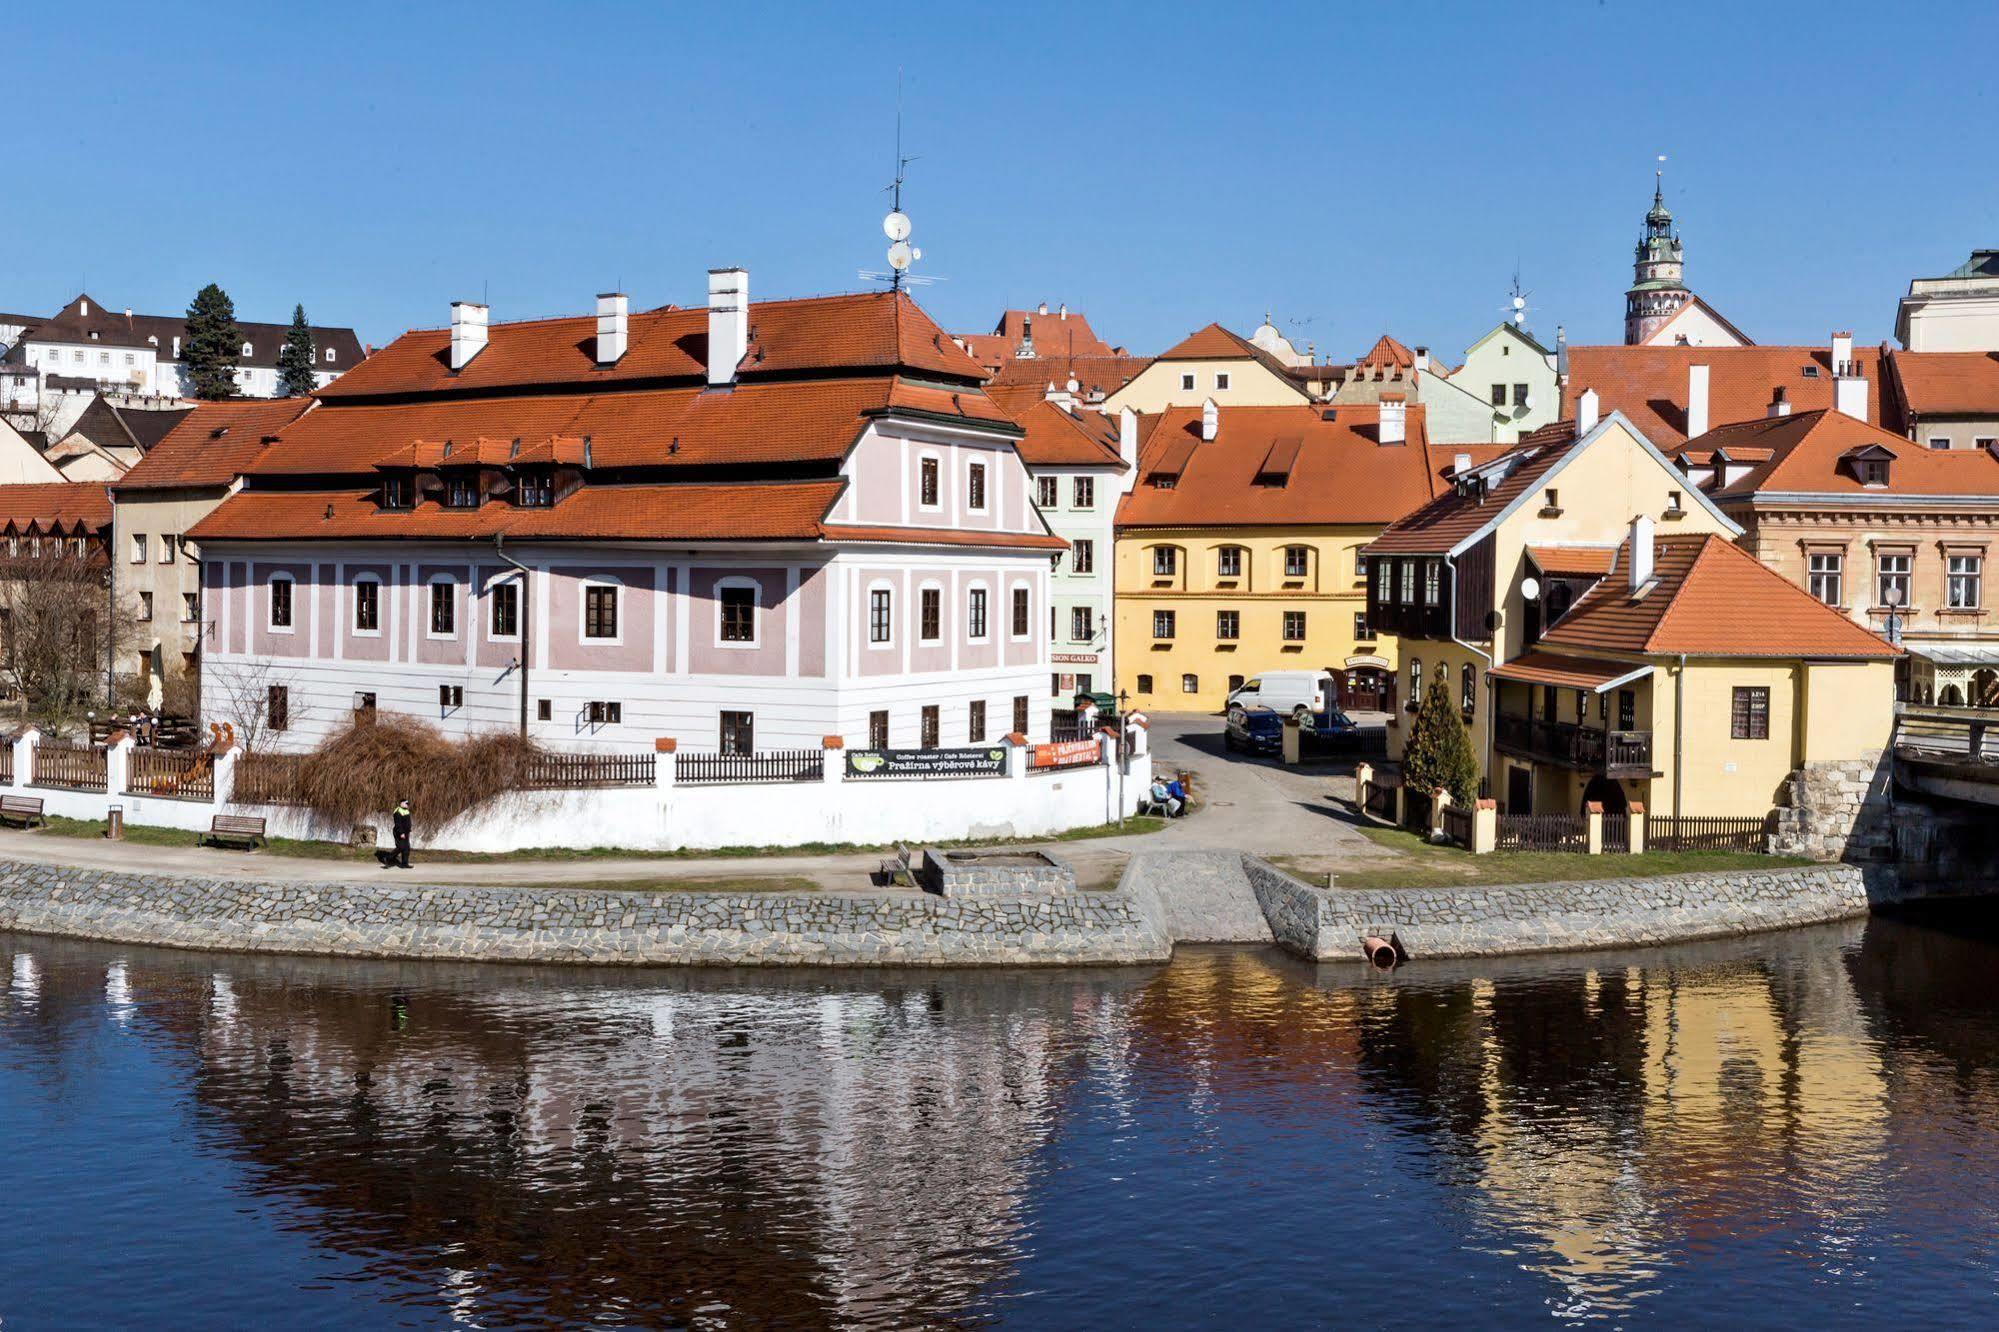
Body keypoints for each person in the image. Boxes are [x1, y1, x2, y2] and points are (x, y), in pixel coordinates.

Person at [391, 798, 413, 869]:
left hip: (406, 832)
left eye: (408, 804)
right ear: (401, 803)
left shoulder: (406, 811)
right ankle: (389, 858)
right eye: (406, 804)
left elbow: (407, 822)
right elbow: (398, 824)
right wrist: (401, 833)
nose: (407, 805)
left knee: (406, 848)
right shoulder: (398, 811)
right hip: (399, 832)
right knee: (401, 847)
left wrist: (408, 830)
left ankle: (404, 864)